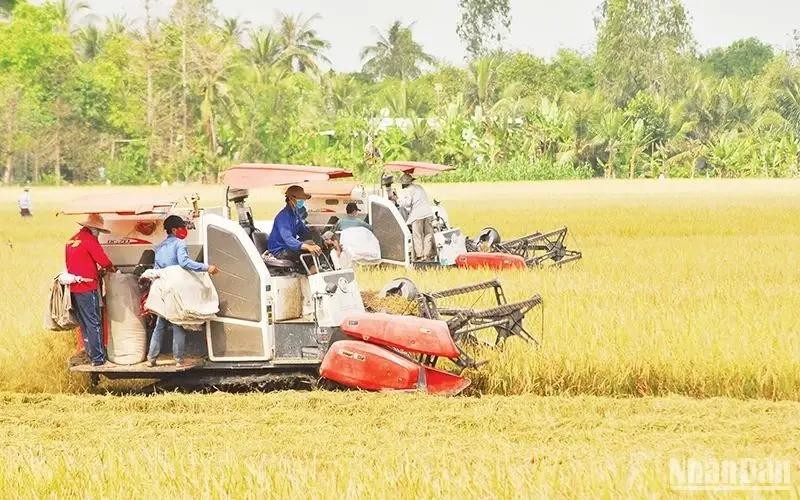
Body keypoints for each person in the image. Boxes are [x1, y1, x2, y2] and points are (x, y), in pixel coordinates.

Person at [147, 215, 219, 367]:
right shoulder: (180, 243)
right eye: (182, 227)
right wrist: (207, 267)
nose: (184, 230)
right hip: (176, 288)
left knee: (160, 324)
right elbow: (184, 262)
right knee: (178, 322)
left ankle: (151, 358)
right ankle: (179, 359)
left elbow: (156, 269)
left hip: (162, 286)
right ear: (174, 229)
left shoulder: (159, 247)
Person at [65, 213, 116, 366]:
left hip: (74, 288)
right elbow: (103, 260)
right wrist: (112, 268)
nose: (99, 234)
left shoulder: (72, 239)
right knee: (94, 322)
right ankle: (98, 359)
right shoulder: (89, 240)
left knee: (84, 323)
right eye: (98, 231)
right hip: (87, 288)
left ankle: (89, 354)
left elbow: (76, 263)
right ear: (93, 229)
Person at [266, 185, 322, 274]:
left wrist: (320, 239)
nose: (302, 201)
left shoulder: (295, 214)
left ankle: (315, 268)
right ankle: (311, 271)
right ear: (291, 198)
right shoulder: (283, 216)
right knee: (310, 249)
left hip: (289, 247)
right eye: (301, 199)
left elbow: (303, 232)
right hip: (280, 251)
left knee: (315, 235)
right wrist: (307, 246)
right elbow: (288, 239)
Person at [397, 173, 436, 261]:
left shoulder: (408, 190)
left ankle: (420, 256)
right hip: (428, 213)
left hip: (417, 215)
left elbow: (406, 203)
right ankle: (427, 255)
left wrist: (398, 200)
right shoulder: (419, 187)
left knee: (417, 235)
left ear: (404, 183)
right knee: (428, 235)